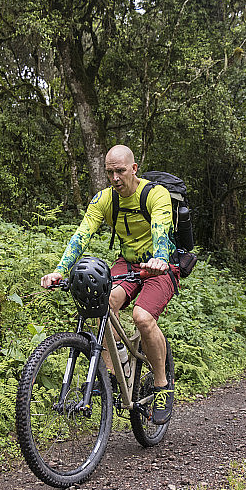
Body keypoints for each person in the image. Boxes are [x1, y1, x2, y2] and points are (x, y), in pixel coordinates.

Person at [41, 144, 178, 424]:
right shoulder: (104, 199)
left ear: (134, 169)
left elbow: (161, 229)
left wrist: (160, 258)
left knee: (142, 317)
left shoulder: (156, 194)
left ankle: (163, 386)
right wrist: (59, 270)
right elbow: (81, 235)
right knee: (102, 304)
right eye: (110, 172)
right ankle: (115, 373)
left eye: (120, 171)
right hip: (126, 263)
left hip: (159, 267)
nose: (115, 178)